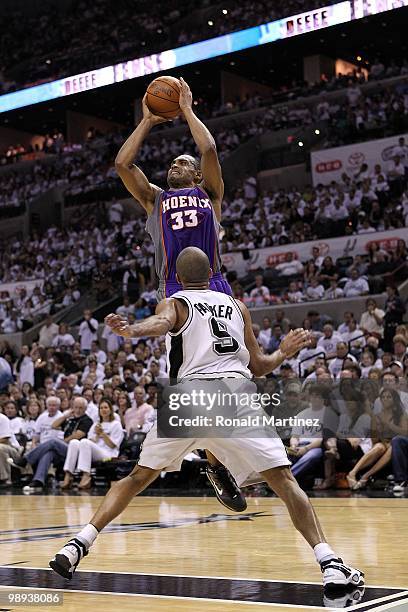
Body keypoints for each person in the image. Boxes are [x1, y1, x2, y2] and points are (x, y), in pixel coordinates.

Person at [50, 247, 364, 591]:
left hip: (188, 397)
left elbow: (161, 323)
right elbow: (259, 366)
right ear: (212, 272)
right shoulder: (236, 306)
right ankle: (330, 563)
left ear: (178, 277)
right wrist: (284, 352)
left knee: (137, 478)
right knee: (285, 482)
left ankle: (77, 544)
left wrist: (132, 330)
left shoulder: (175, 301)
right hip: (233, 395)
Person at [114, 77, 242, 510]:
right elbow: (123, 164)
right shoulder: (156, 199)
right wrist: (148, 120)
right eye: (170, 164)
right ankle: (214, 460)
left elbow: (208, 150)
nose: (175, 165)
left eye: (180, 162)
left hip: (217, 285)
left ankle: (221, 456)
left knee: (233, 374)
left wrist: (186, 110)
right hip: (173, 293)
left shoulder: (210, 194)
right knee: (190, 378)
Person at [62, 398, 124, 490]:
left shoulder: (116, 424)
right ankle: (68, 474)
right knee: (74, 442)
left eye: (106, 407)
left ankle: (86, 475)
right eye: (101, 408)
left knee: (84, 442)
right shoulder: (96, 424)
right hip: (95, 451)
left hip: (109, 453)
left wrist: (102, 434)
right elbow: (91, 441)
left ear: (110, 410)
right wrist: (97, 436)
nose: (103, 410)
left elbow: (112, 445)